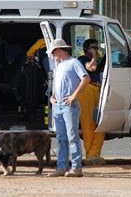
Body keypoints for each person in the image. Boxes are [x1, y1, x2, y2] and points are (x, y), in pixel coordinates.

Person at [47, 39, 90, 178]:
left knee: (72, 137)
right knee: (61, 137)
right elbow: (59, 83)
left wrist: (73, 96)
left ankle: (76, 168)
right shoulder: (59, 65)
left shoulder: (73, 63)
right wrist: (53, 96)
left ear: (58, 50)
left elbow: (86, 78)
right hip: (59, 104)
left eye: (53, 52)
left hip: (68, 104)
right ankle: (62, 167)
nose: (52, 55)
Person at [78, 39, 106, 166]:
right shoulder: (82, 59)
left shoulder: (97, 59)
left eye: (97, 47)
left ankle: (95, 153)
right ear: (86, 49)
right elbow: (92, 68)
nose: (96, 50)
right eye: (93, 48)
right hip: (87, 90)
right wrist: (94, 55)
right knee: (88, 123)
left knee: (100, 123)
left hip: (98, 89)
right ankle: (90, 154)